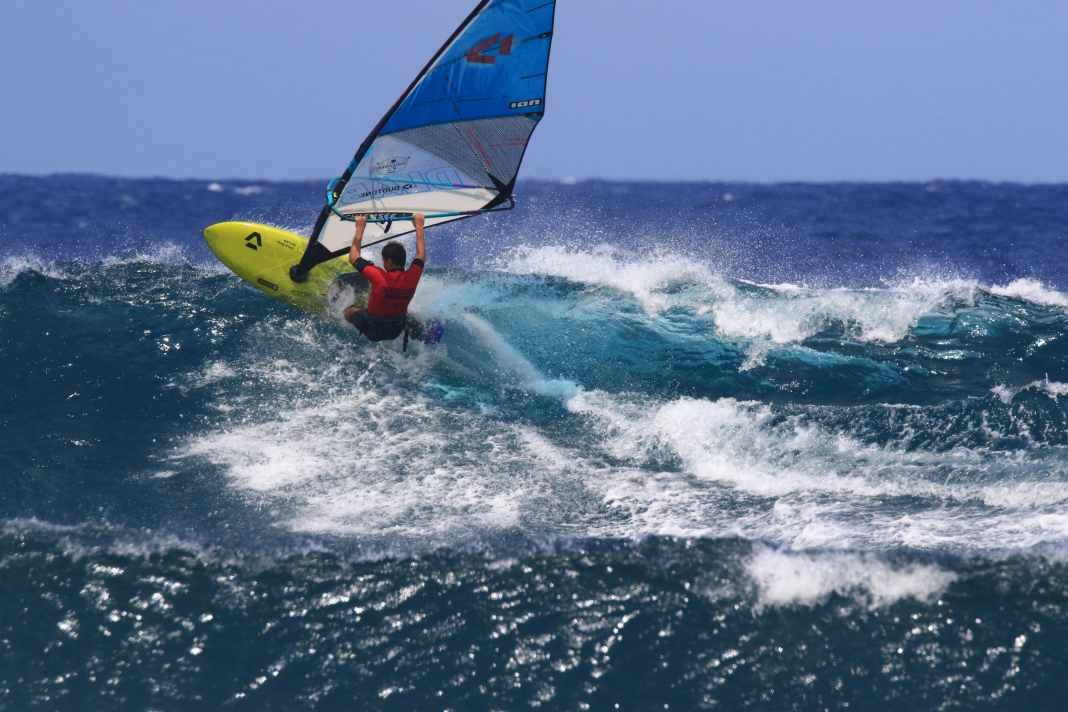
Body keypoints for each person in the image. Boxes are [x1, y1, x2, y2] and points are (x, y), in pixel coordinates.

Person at [343, 212, 427, 343]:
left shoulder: (379, 276)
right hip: (395, 330)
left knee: (348, 312)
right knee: (405, 313)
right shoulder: (412, 277)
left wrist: (360, 227)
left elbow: (353, 257)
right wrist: (419, 226)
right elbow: (421, 254)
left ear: (388, 261)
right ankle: (421, 333)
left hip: (372, 330)